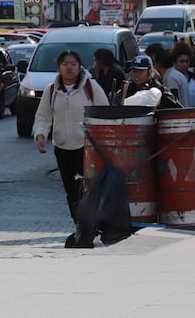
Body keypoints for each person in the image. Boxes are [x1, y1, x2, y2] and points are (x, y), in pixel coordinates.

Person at [32, 49, 109, 224]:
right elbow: (43, 117)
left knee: (88, 189)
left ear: (79, 66)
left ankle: (91, 225)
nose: (69, 68)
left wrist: (101, 139)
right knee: (71, 190)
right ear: (59, 67)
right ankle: (79, 224)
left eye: (73, 64)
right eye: (65, 64)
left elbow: (104, 113)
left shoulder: (90, 87)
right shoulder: (51, 90)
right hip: (62, 148)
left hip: (86, 148)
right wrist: (40, 135)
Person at [115, 54, 182, 108]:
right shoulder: (126, 90)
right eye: (134, 71)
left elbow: (176, 109)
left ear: (150, 72)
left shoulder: (160, 90)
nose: (136, 74)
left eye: (140, 71)